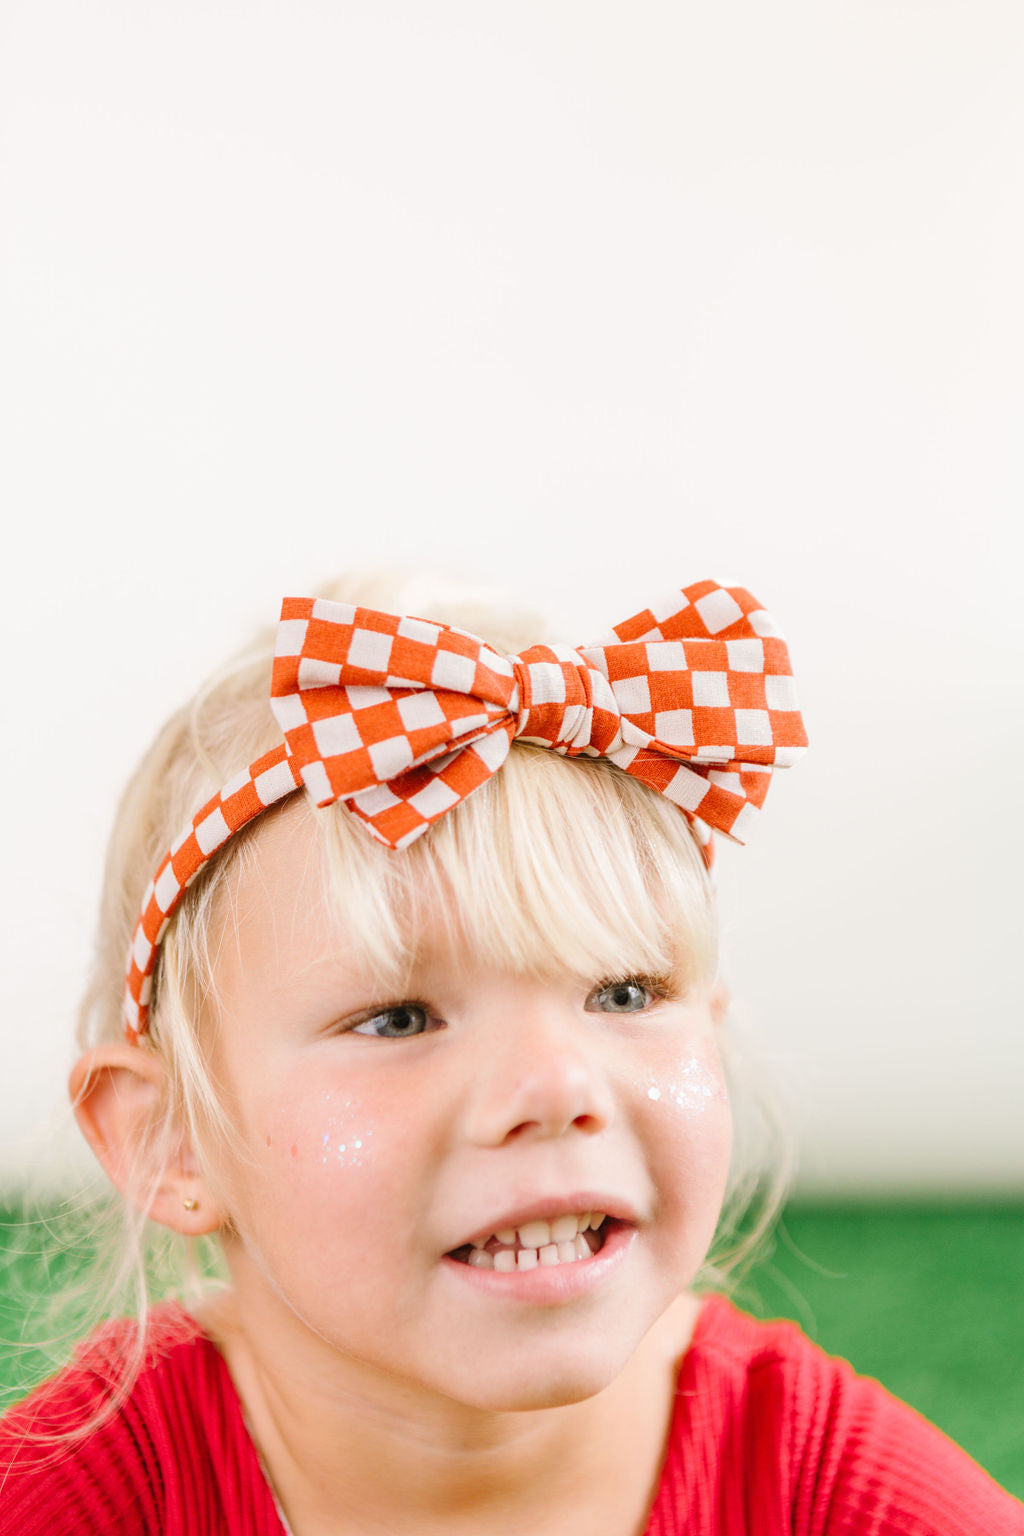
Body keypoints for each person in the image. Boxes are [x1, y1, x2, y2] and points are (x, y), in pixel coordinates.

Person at [0, 575, 1019, 1535]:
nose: (557, 1086)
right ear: (171, 1138)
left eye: (624, 994)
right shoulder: (78, 1497)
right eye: (400, 1018)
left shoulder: (824, 1484)